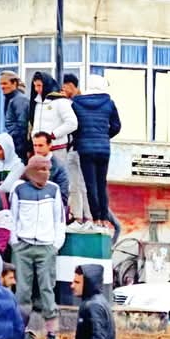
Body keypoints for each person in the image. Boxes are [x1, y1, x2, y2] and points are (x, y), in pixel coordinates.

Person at [11, 155, 66, 339]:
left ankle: (52, 333)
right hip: (23, 246)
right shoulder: (19, 189)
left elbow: (59, 219)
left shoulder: (54, 189)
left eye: (47, 169)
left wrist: (55, 245)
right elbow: (13, 217)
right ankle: (19, 331)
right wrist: (15, 242)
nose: (45, 173)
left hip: (46, 246)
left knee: (46, 289)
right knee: (22, 291)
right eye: (41, 169)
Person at [70, 75, 122, 231]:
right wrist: (105, 136)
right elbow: (116, 126)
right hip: (103, 149)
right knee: (101, 184)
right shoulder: (109, 103)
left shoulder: (77, 103)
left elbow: (74, 127)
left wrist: (80, 139)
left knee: (90, 185)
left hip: (85, 149)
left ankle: (95, 218)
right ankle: (104, 219)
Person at [61, 74, 93, 228]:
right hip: (72, 148)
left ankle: (88, 216)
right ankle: (78, 217)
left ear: (70, 85)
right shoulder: (68, 103)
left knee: (83, 184)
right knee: (73, 184)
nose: (63, 90)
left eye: (64, 86)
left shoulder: (81, 102)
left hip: (82, 148)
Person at [28, 72, 78, 168]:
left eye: (39, 85)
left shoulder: (61, 101)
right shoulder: (37, 103)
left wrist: (53, 135)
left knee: (57, 176)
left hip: (56, 148)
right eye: (35, 86)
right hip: (39, 149)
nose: (37, 89)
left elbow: (72, 123)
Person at [31, 130, 71, 201]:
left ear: (49, 145)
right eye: (35, 145)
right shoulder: (31, 163)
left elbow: (63, 195)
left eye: (40, 145)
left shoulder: (59, 167)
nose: (37, 149)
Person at [0, 70, 30, 160]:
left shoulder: (19, 100)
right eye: (1, 84)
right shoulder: (11, 99)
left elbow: (22, 127)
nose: (2, 87)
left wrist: (17, 150)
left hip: (18, 149)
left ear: (14, 83)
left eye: (5, 83)